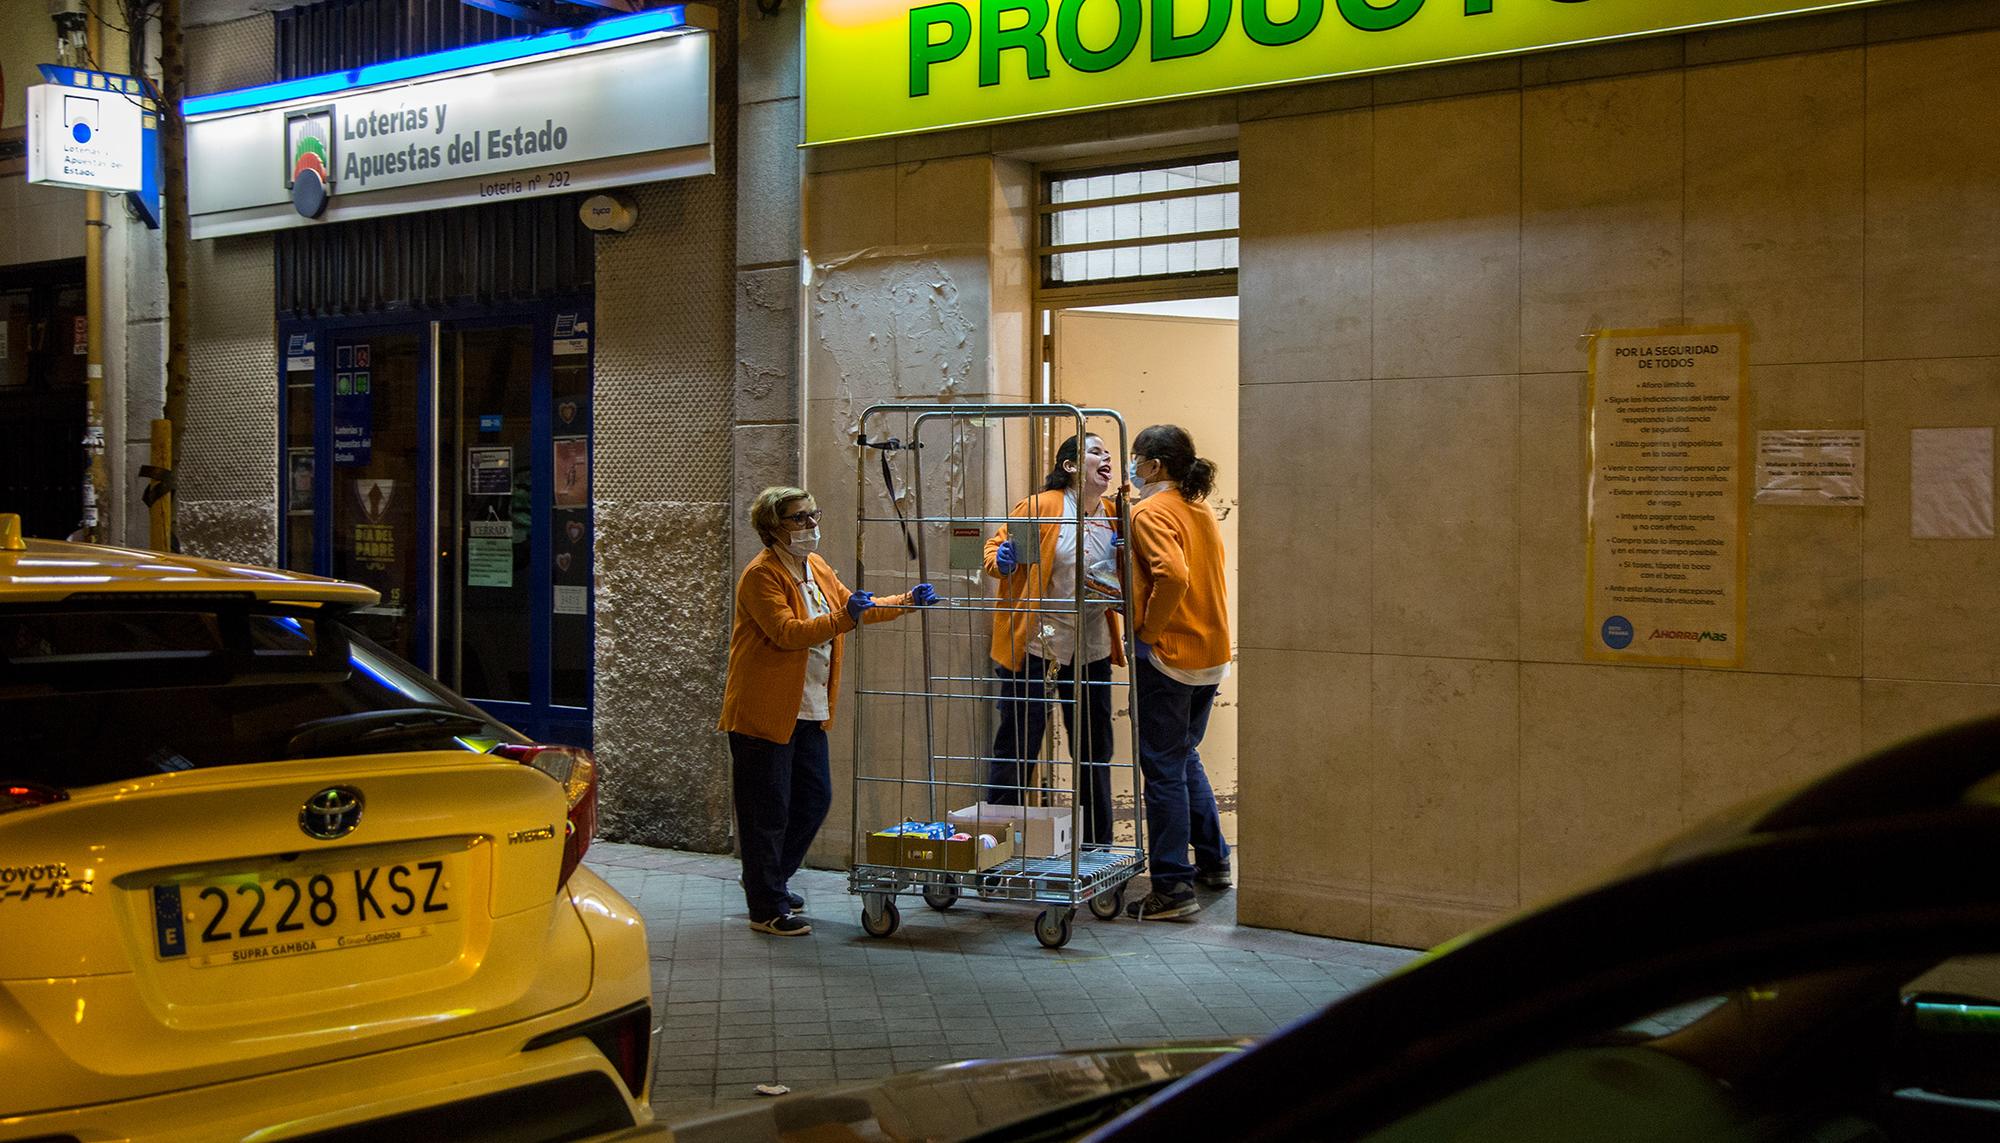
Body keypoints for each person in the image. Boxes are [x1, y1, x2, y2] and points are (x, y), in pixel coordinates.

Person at [720, 486, 937, 936]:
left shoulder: (814, 566)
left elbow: (853, 607)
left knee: (814, 799)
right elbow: (788, 632)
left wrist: (907, 601)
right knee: (768, 811)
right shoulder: (760, 576)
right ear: (773, 527)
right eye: (799, 518)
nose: (811, 525)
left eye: (813, 515)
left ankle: (772, 881)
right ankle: (766, 906)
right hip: (763, 713)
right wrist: (846, 617)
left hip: (808, 709)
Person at [982, 434, 1126, 847]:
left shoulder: (1114, 515)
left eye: (1108, 454)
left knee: (1094, 752)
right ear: (1070, 466)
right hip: (1035, 645)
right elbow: (996, 550)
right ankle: (997, 844)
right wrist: (1002, 560)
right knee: (1018, 748)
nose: (1107, 458)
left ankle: (1098, 847)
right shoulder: (1041, 507)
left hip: (1091, 649)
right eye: (1096, 451)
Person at [1124, 425, 1232, 921]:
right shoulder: (1199, 508)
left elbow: (1174, 576)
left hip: (1171, 654)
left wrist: (1146, 633)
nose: (1131, 466)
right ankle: (1213, 862)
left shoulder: (1149, 511)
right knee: (1183, 755)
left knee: (1162, 767)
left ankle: (1172, 887)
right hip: (1211, 652)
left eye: (1136, 458)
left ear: (1155, 466)